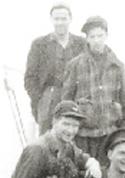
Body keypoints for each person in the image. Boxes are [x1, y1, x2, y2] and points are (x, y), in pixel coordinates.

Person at [0, 100, 102, 178]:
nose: (71, 130)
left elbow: (85, 159)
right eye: (66, 124)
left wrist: (94, 165)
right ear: (54, 122)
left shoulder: (68, 146)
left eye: (75, 126)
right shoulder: (37, 149)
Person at [61, 15, 125, 160]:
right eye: (92, 36)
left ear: (106, 36)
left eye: (100, 36)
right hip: (83, 136)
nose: (97, 40)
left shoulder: (117, 65)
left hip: (109, 134)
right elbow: (66, 102)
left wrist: (121, 130)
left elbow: (123, 101)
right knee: (82, 173)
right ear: (87, 38)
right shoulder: (75, 65)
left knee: (105, 175)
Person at [24, 3, 86, 133]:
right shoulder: (39, 44)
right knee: (48, 138)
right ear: (51, 19)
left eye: (63, 19)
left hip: (75, 97)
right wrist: (40, 99)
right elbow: (30, 77)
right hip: (49, 98)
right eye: (56, 19)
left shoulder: (81, 43)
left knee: (74, 136)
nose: (60, 23)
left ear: (70, 19)